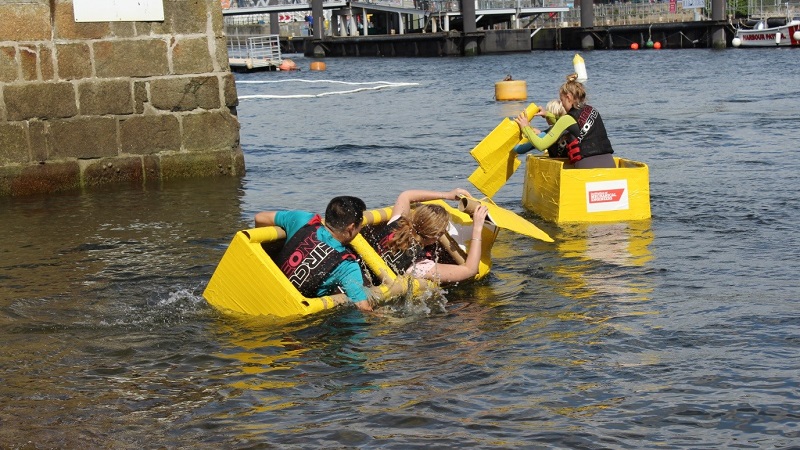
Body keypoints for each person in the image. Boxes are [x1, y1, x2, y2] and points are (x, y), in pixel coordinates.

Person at [254, 196, 374, 311]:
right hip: (295, 314)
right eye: (361, 224)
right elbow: (363, 307)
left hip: (263, 291)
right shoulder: (347, 266)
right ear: (351, 227)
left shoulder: (303, 220)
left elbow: (260, 218)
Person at [365, 188, 489, 283]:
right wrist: (477, 228)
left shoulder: (397, 223)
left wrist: (447, 195)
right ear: (436, 236)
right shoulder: (419, 266)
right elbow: (470, 270)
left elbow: (406, 196)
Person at [514, 73, 616, 169]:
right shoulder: (592, 110)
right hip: (609, 163)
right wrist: (548, 115)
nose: (562, 104)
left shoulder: (567, 119)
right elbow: (573, 124)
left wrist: (525, 127)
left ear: (568, 97)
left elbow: (541, 145)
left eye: (562, 100)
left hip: (587, 166)